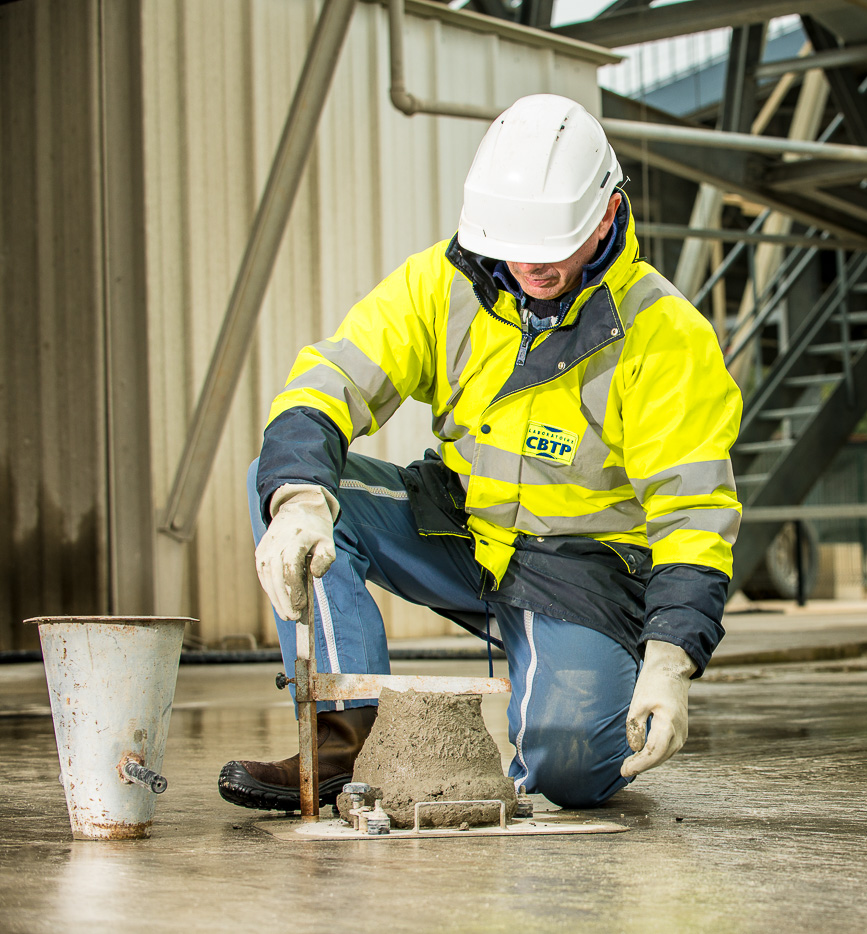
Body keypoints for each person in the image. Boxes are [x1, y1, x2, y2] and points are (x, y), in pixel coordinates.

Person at [217, 94, 742, 812]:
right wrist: (298, 501)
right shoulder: (443, 281)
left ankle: (571, 708)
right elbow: (333, 378)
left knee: (573, 769)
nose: (530, 263)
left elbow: (694, 513)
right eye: (515, 240)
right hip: (462, 528)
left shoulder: (666, 334)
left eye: (553, 241)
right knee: (280, 481)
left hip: (581, 568)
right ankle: (344, 737)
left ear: (608, 215)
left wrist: (670, 662)